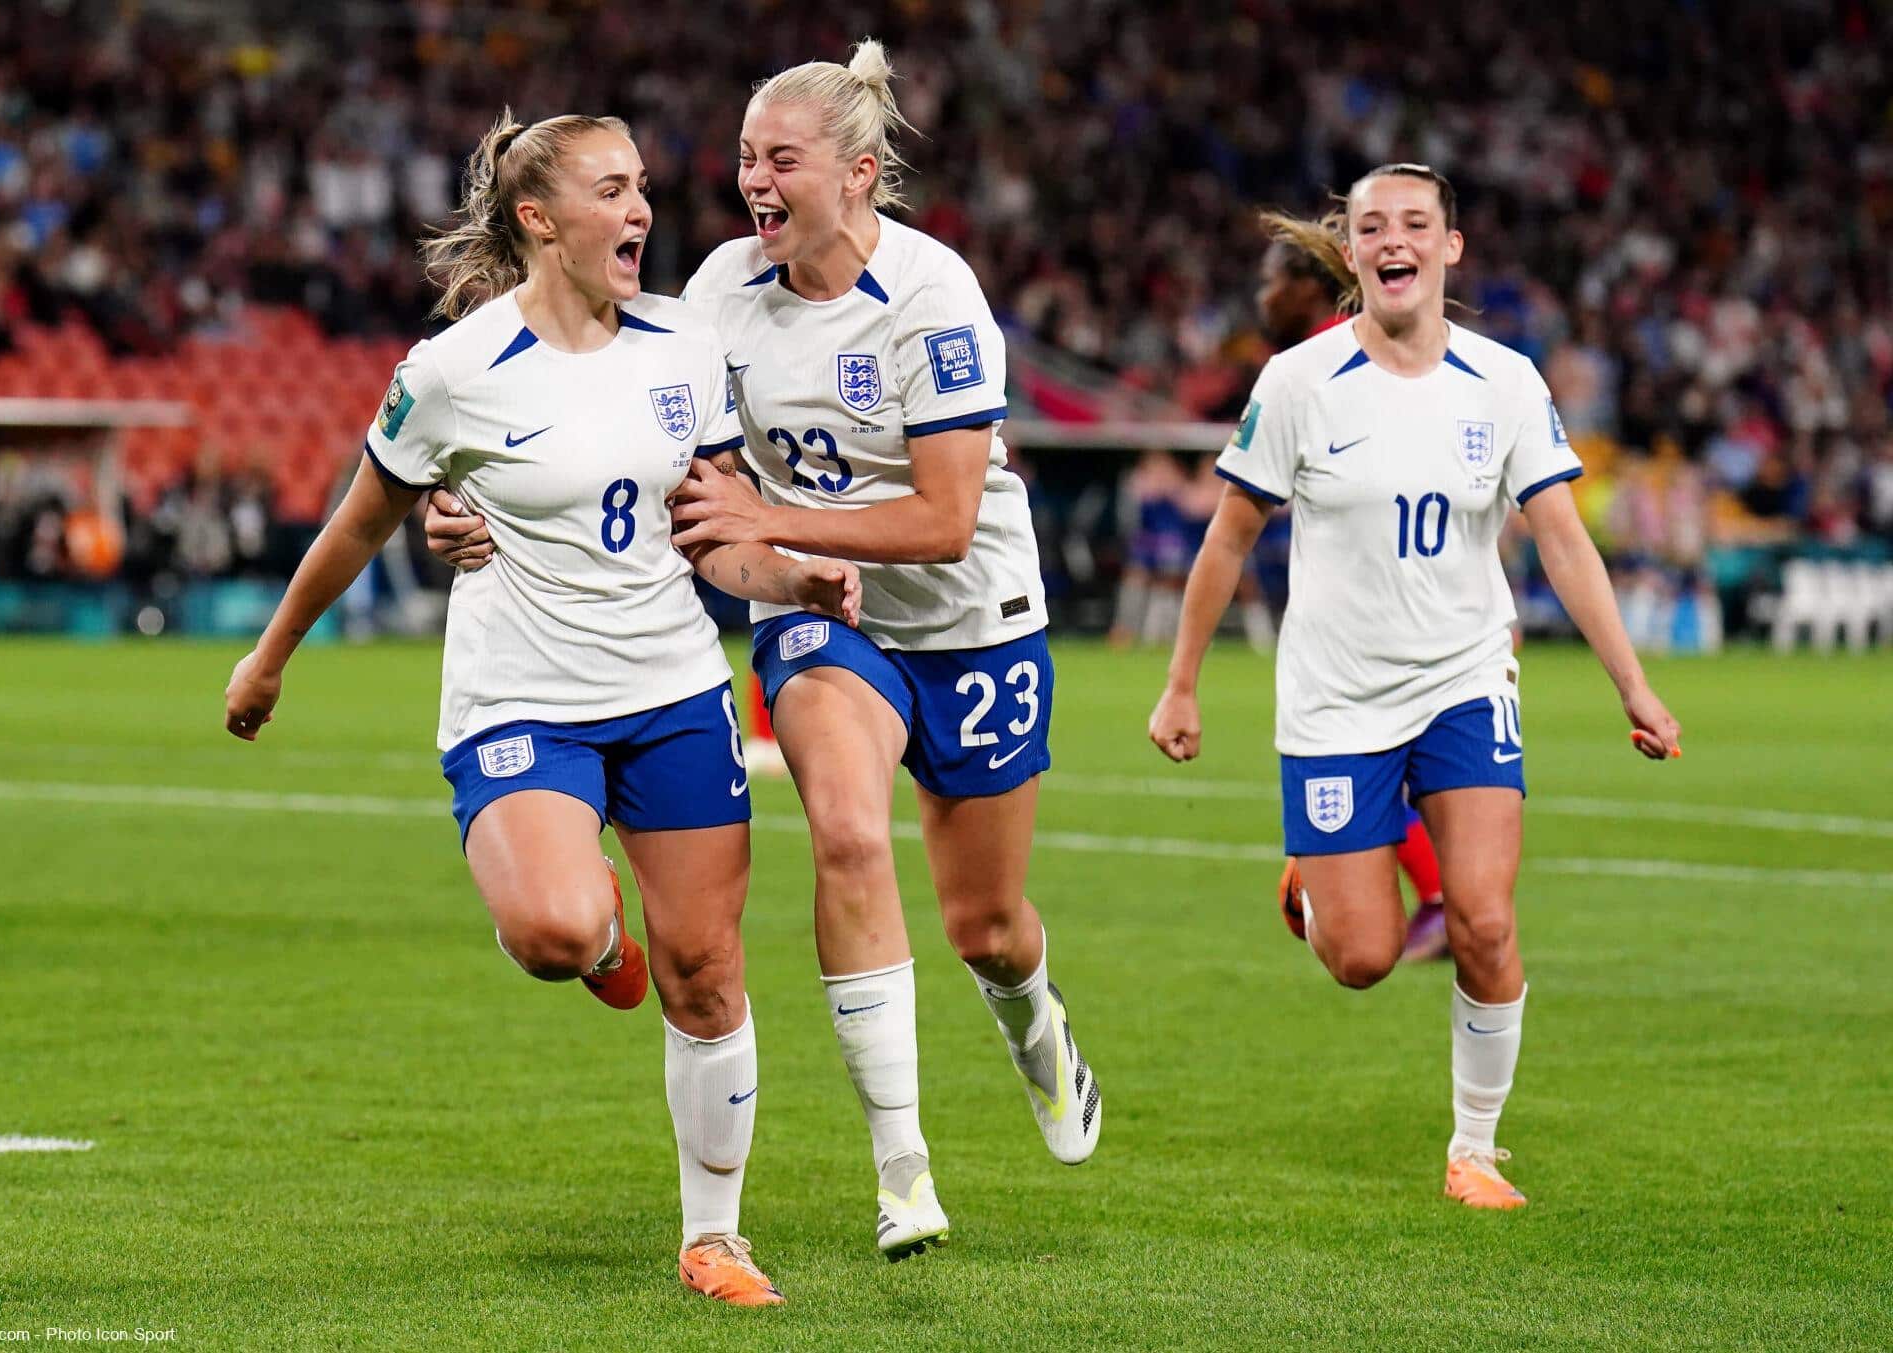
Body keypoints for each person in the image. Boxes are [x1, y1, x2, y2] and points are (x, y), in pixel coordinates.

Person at [426, 42, 1101, 1263]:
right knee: (844, 831)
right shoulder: (719, 296)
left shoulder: (937, 302)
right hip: (819, 615)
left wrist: (765, 516)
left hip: (968, 617)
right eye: (743, 158)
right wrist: (466, 500)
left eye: (778, 158)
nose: (752, 180)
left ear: (854, 174)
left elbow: (946, 524)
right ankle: (902, 1171)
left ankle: (1031, 1018)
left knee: (985, 922)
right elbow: (593, 405)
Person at [223, 110, 865, 1306]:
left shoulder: (682, 345)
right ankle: (599, 938)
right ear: (538, 221)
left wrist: (792, 575)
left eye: (641, 189)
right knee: (556, 934)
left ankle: (712, 1238)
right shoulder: (453, 373)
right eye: (612, 192)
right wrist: (270, 658)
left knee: (707, 970)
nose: (641, 213)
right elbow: (361, 519)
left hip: (672, 691)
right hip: (520, 696)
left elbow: (716, 538)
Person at [1147, 164, 1681, 1210]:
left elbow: (1562, 544)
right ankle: (1311, 885)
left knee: (1481, 918)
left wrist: (1633, 686)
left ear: (1448, 248)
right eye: (1369, 227)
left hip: (1463, 680)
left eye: (1414, 225)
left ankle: (1471, 1150)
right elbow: (1226, 540)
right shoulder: (1298, 385)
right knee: (1361, 959)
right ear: (1349, 253)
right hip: (1335, 702)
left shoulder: (1505, 382)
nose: (1391, 241)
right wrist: (1179, 685)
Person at [1255, 231, 1451, 962]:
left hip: (1384, 612)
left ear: (1308, 287)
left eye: (1272, 278)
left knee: (1380, 758)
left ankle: (1439, 901)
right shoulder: (1341, 357)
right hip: (1394, 603)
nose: (1261, 295)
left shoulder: (1337, 359)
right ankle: (1441, 899)